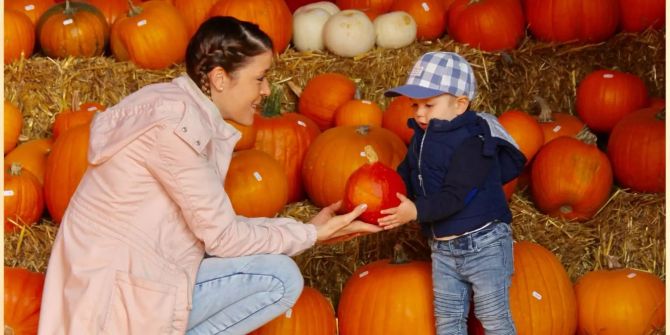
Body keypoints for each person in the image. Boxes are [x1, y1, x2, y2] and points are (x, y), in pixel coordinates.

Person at [38, 16, 381, 335]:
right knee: (279, 278)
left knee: (269, 269)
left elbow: (213, 232)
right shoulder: (177, 130)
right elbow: (224, 238)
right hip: (115, 297)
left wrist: (306, 230)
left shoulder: (173, 106)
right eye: (259, 78)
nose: (266, 91)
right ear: (220, 78)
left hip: (121, 277)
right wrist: (308, 234)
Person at [378, 52, 526, 335]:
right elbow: (408, 172)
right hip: (443, 248)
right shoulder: (422, 137)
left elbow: (456, 195)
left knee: (492, 316)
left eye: (429, 104)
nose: (419, 112)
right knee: (448, 321)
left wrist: (416, 211)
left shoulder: (474, 143)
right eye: (415, 104)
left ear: (460, 104)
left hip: (483, 244)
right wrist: (383, 191)